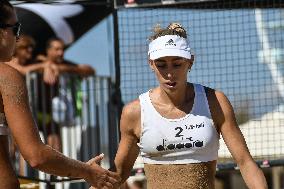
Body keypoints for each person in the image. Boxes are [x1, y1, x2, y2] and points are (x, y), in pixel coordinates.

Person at [91, 23, 268, 189]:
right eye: (161, 65)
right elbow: (118, 174)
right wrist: (91, 175)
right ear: (151, 63)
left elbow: (245, 162)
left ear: (190, 61)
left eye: (177, 64)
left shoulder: (214, 101)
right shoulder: (135, 112)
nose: (169, 73)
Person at [0, 1, 120, 188]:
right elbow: (36, 156)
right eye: (16, 28)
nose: (18, 37)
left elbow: (85, 69)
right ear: (1, 31)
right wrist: (87, 171)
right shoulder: (6, 76)